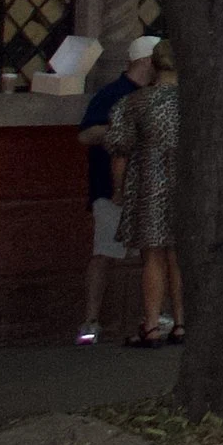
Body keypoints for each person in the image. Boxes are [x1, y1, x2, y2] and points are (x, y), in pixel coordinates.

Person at [77, 39, 151, 341]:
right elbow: (86, 134)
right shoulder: (111, 95)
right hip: (110, 189)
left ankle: (152, 316)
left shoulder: (156, 96)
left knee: (153, 253)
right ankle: (91, 320)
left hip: (148, 187)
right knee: (104, 252)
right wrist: (119, 129)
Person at [112, 39, 182, 344]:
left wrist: (119, 191)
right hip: (185, 185)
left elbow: (120, 151)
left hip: (147, 184)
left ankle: (152, 325)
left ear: (152, 64)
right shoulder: (195, 103)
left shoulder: (134, 103)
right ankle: (181, 324)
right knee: (179, 255)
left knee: (152, 256)